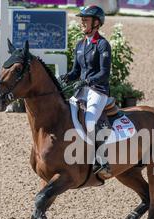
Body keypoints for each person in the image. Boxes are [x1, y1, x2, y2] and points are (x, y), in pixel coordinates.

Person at [59, 5, 112, 175]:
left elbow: (104, 73)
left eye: (85, 20)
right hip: (82, 90)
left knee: (89, 121)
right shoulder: (80, 44)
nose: (82, 22)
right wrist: (66, 77)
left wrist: (88, 81)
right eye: (81, 19)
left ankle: (102, 160)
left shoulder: (103, 44)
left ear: (96, 23)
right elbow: (76, 71)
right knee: (65, 115)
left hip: (98, 90)